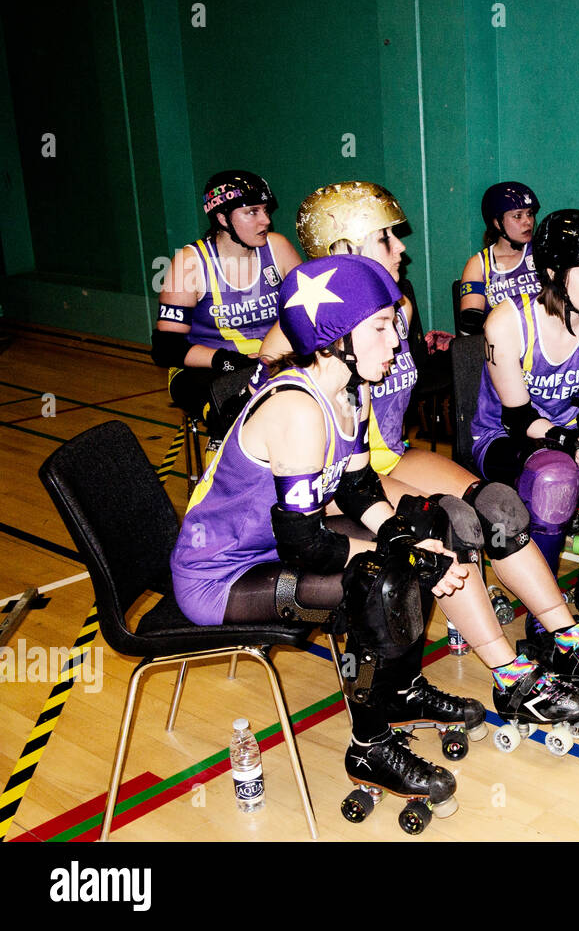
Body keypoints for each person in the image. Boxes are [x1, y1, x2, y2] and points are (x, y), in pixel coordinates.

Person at [283, 181, 579, 728]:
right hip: (327, 482)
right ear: (345, 251)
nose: (402, 248)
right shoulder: (303, 335)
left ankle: (564, 632)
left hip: (380, 458)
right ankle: (508, 674)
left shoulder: (396, 306)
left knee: (497, 506)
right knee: (450, 525)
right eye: (386, 239)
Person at [169, 254, 467, 810]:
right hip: (221, 577)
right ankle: (369, 745)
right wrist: (400, 558)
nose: (396, 344)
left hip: (270, 548)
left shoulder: (351, 387)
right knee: (379, 581)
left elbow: (358, 491)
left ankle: (399, 691)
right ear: (334, 339)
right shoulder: (299, 408)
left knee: (421, 528)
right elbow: (305, 545)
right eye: (380, 328)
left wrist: (405, 539)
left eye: (394, 326)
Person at [472, 210, 579, 654]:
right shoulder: (505, 323)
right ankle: (543, 606)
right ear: (553, 273)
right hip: (502, 437)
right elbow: (516, 419)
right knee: (556, 478)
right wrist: (572, 444)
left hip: (567, 432)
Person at [151, 170, 300, 433]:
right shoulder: (189, 264)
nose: (266, 220)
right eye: (252, 212)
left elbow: (310, 310)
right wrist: (230, 361)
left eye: (265, 210)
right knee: (239, 410)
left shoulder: (277, 248)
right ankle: (226, 468)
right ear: (222, 217)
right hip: (206, 366)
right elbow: (166, 349)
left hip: (272, 359)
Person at [456, 181, 542, 335]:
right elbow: (470, 325)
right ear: (497, 222)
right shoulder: (478, 264)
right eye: (518, 216)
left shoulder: (544, 252)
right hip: (503, 344)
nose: (527, 221)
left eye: (530, 213)